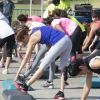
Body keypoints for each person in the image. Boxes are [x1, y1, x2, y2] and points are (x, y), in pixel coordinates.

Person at [14, 25, 72, 99]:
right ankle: (61, 93)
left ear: (25, 36)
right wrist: (50, 50)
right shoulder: (36, 29)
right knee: (63, 69)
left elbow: (26, 58)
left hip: (59, 42)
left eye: (22, 41)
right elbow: (48, 39)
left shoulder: (32, 38)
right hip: (67, 40)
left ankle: (25, 86)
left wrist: (17, 73)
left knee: (42, 66)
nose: (24, 42)